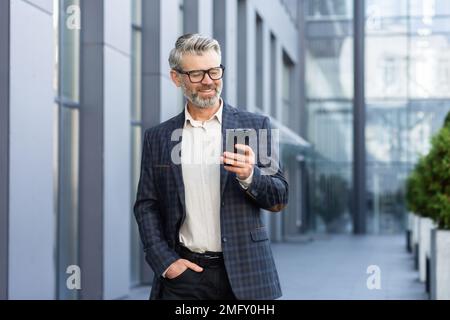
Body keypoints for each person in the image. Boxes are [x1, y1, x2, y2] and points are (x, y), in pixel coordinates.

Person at [134, 33, 288, 300]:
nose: (208, 81)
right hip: (185, 277)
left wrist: (251, 176)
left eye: (214, 71)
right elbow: (146, 205)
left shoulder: (255, 125)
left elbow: (279, 197)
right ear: (176, 78)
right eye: (196, 74)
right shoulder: (157, 137)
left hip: (246, 276)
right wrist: (166, 263)